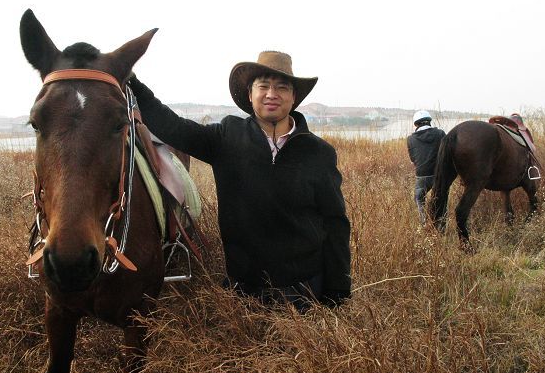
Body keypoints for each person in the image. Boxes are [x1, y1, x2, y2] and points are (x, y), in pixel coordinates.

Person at [128, 51, 352, 312]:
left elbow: (335, 222)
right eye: (263, 86)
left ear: (294, 98)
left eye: (282, 87)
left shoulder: (319, 153)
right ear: (250, 94)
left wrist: (337, 288)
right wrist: (134, 84)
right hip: (244, 292)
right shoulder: (226, 137)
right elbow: (173, 127)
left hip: (304, 291)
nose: (272, 94)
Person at [407, 110, 446, 225]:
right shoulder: (440, 134)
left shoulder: (411, 139)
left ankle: (424, 223)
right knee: (441, 200)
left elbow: (413, 159)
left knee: (419, 198)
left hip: (422, 175)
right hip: (439, 175)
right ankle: (441, 225)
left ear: (416, 124)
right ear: (429, 122)